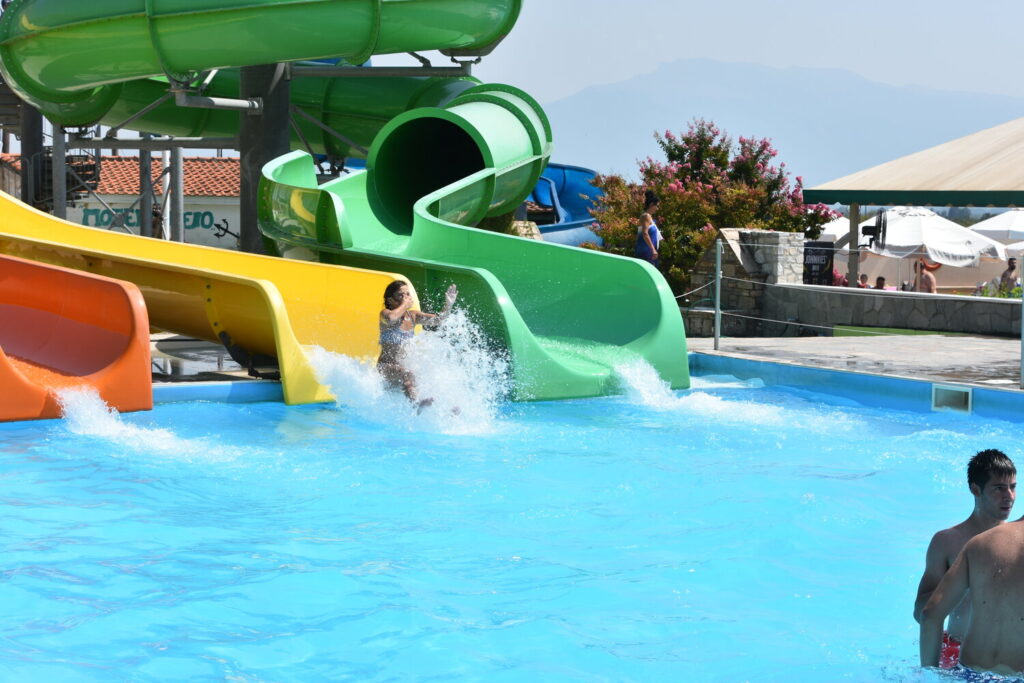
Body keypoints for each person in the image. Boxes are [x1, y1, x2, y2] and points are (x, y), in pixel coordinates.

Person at [915, 449, 1017, 669]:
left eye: (1013, 487)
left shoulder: (1016, 544)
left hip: (1005, 657)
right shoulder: (947, 541)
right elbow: (921, 612)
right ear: (975, 489)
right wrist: (959, 584)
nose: (1009, 496)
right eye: (999, 488)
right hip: (954, 652)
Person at [377, 280, 458, 410]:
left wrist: (448, 305)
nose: (406, 298)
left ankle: (444, 409)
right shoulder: (385, 314)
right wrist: (405, 304)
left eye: (407, 294)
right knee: (406, 372)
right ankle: (416, 404)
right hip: (385, 367)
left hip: (402, 370)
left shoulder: (413, 316)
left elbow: (438, 320)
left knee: (426, 375)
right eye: (400, 295)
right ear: (390, 300)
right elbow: (392, 318)